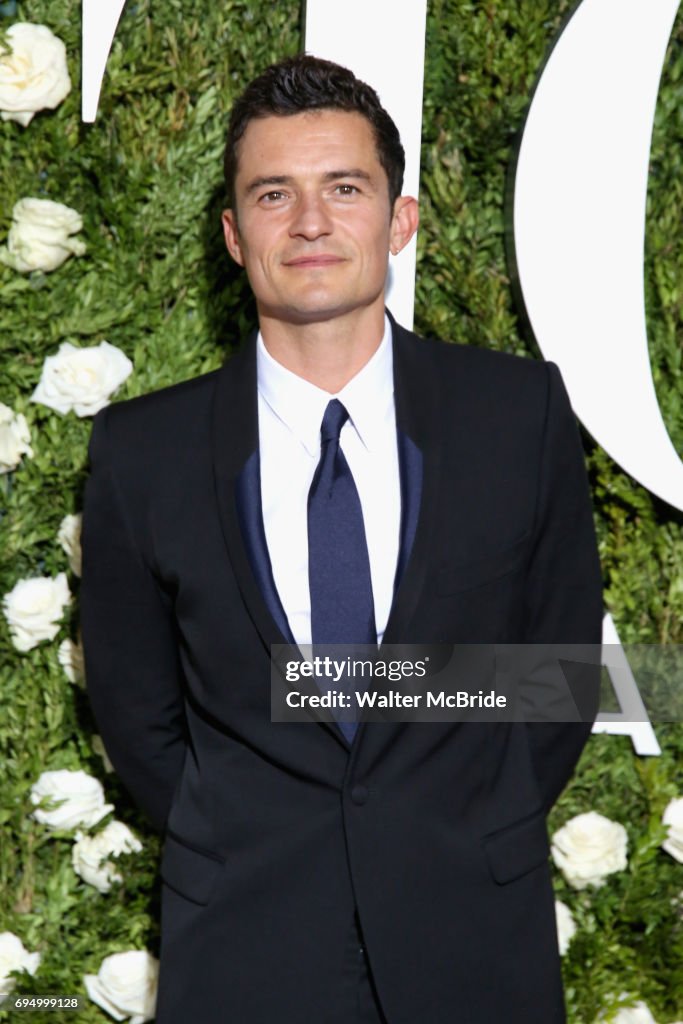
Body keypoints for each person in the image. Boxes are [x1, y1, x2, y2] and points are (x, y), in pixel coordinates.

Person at [80, 54, 603, 1024]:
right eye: (274, 194)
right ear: (235, 236)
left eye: (344, 188)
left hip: (473, 952)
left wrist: (452, 821)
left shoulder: (516, 416)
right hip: (245, 953)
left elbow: (560, 673)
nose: (310, 223)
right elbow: (139, 715)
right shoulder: (141, 452)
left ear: (398, 220)